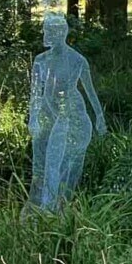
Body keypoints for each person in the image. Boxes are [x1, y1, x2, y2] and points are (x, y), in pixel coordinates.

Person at [27, 12, 106, 211]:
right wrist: (33, 118)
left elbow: (90, 92)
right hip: (51, 116)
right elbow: (35, 93)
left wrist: (100, 118)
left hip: (73, 117)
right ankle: (48, 210)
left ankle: (51, 211)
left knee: (57, 164)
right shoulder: (40, 60)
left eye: (48, 30)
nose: (44, 34)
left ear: (61, 32)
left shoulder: (77, 60)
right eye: (44, 29)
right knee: (43, 164)